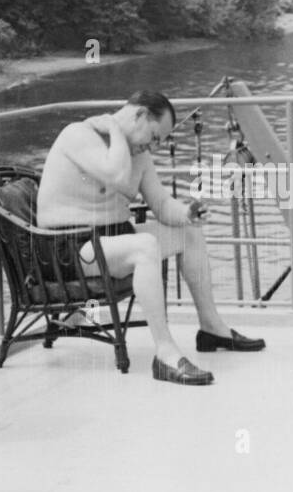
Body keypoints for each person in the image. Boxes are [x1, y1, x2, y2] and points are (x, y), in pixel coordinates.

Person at [36, 90, 263, 386]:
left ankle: (211, 328)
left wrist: (187, 213)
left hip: (111, 240)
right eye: (154, 137)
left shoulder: (138, 155)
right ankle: (165, 354)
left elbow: (162, 205)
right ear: (140, 115)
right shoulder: (78, 136)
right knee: (145, 247)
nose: (153, 146)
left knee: (189, 234)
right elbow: (116, 175)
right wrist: (116, 128)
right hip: (70, 249)